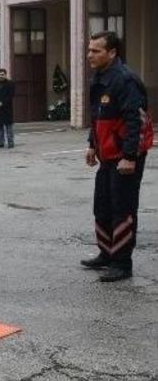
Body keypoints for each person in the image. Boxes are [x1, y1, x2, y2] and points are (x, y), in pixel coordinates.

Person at [81, 31, 151, 282]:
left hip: (125, 157)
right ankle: (106, 253)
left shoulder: (125, 80)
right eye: (89, 50)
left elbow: (137, 122)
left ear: (112, 53)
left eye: (96, 51)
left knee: (123, 208)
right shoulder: (99, 78)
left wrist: (130, 156)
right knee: (102, 205)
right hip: (106, 156)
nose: (90, 55)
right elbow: (97, 117)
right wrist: (92, 145)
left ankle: (122, 263)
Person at [0, 68, 15, 148]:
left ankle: (10, 143)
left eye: (2, 75)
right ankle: (1, 142)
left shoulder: (10, 84)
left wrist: (3, 103)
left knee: (9, 126)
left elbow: (11, 95)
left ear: (5, 75)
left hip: (7, 108)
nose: (0, 76)